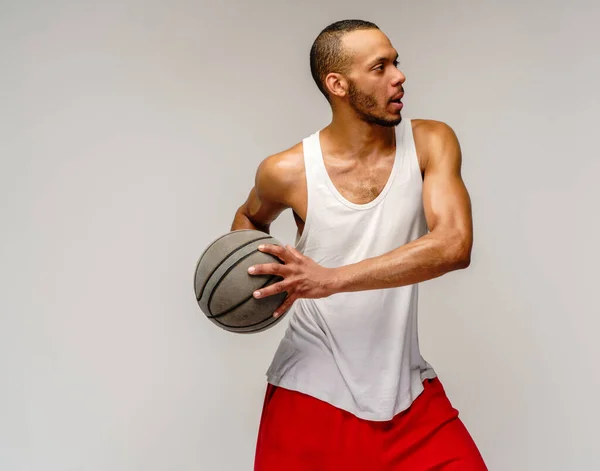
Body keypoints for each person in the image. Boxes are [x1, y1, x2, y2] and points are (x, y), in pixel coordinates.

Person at [231, 19, 488, 471]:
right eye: (380, 67)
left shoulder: (430, 143)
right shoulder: (287, 171)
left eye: (396, 62)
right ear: (338, 84)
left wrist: (329, 279)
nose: (399, 76)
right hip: (310, 396)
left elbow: (454, 244)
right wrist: (251, 285)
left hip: (409, 400)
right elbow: (250, 218)